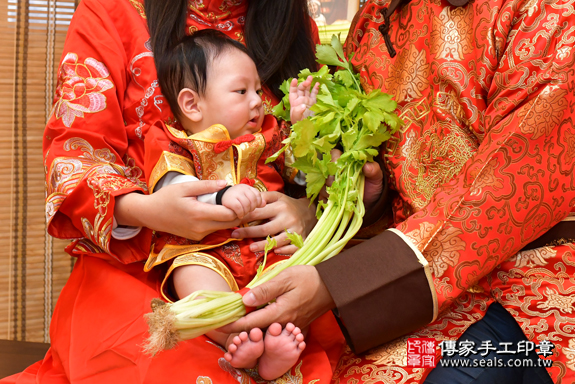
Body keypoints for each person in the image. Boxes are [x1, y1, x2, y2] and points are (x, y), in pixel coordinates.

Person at [224, 0, 575, 383]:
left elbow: (512, 182)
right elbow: (385, 170)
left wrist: (339, 282)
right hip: (401, 284)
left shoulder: (547, 11)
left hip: (530, 274)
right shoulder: (375, 17)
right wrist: (370, 197)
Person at [1, 0, 351, 383]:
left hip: (267, 256)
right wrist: (148, 210)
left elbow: (324, 155)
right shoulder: (112, 10)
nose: (254, 103)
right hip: (139, 268)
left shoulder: (292, 23)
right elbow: (76, 149)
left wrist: (307, 211)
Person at [143, 29, 326, 380]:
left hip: (264, 248)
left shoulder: (267, 137)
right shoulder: (176, 142)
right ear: (192, 104)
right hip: (204, 249)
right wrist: (221, 195)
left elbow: (300, 177)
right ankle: (233, 336)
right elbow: (173, 185)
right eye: (242, 91)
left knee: (291, 285)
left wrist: (305, 130)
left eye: (258, 89)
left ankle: (268, 348)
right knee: (195, 283)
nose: (258, 100)